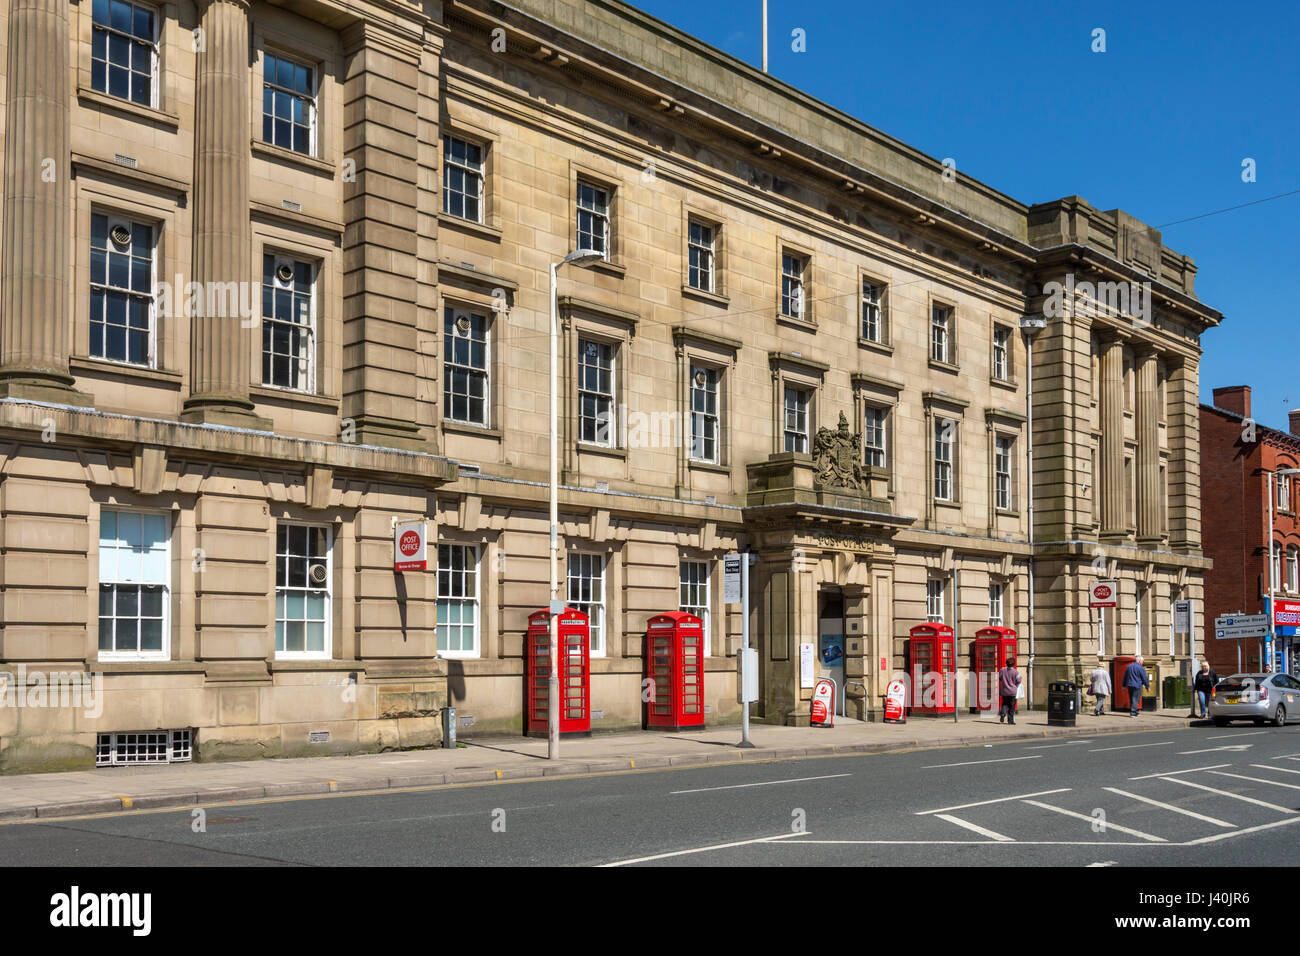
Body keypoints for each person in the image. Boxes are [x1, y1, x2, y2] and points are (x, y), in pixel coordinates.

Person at [998, 657, 1021, 725]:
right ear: (1014, 664)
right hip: (1013, 691)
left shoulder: (1002, 670)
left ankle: (1003, 713)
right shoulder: (1016, 672)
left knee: (1005, 703)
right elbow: (1019, 680)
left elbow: (1000, 678)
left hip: (1004, 690)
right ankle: (1010, 721)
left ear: (1006, 663)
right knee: (1011, 706)